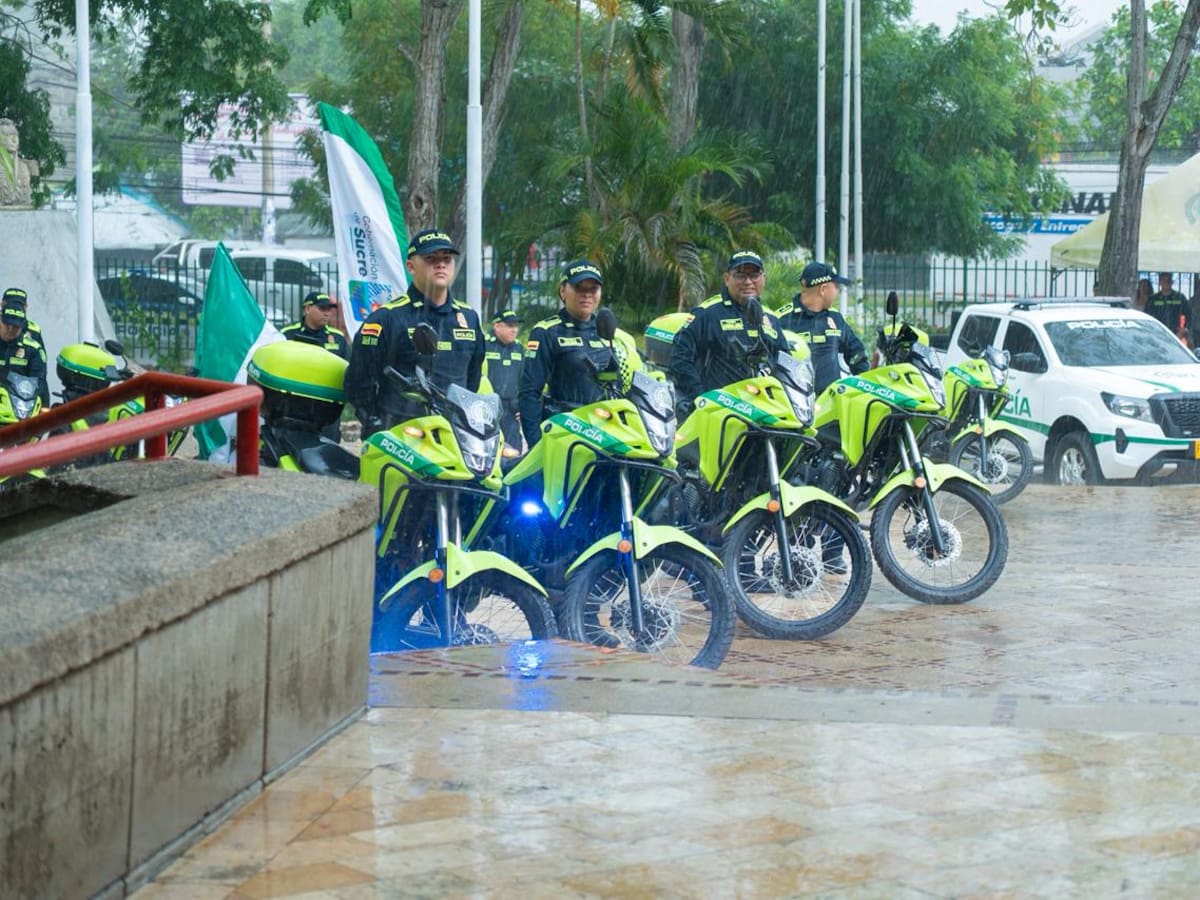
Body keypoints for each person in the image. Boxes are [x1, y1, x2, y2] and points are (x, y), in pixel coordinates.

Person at [346, 228, 485, 437]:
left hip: (456, 436)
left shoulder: (469, 318)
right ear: (411, 266)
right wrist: (375, 423)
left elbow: (472, 378)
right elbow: (359, 380)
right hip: (401, 434)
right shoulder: (387, 318)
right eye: (431, 258)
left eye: (447, 258)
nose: (441, 264)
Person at [518, 259, 626, 449]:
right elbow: (529, 393)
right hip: (564, 432)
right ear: (563, 291)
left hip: (605, 433)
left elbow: (620, 385)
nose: (586, 295)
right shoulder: (546, 332)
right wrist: (536, 445)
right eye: (579, 288)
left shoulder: (608, 332)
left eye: (593, 289)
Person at [669, 250, 789, 410]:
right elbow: (679, 358)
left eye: (754, 275)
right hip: (722, 413)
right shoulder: (708, 313)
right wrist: (702, 397)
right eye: (740, 275)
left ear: (763, 279)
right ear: (727, 279)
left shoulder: (770, 319)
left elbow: (785, 362)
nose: (748, 281)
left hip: (766, 412)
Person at [776, 261, 869, 394]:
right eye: (835, 287)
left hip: (830, 406)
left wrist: (861, 388)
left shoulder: (836, 318)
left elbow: (858, 356)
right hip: (794, 405)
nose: (837, 291)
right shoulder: (781, 319)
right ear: (823, 289)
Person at [483, 309, 523, 449]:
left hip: (511, 410)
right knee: (488, 449)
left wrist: (522, 405)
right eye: (510, 326)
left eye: (516, 326)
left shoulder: (519, 348)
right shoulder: (484, 345)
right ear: (497, 326)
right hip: (488, 408)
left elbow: (524, 378)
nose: (515, 330)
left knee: (513, 451)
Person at [0, 294, 48, 407]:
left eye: (15, 327)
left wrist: (45, 409)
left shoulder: (33, 349)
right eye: (7, 325)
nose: (10, 330)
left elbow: (40, 382)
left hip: (20, 405)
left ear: (22, 326)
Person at [282, 291, 350, 360]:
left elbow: (348, 365)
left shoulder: (338, 337)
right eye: (322, 308)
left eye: (328, 309)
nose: (327, 314)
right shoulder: (287, 334)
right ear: (307, 309)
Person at [2, 288, 46, 366]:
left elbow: (40, 361)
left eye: (20, 304)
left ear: (26, 307)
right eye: (10, 303)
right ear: (2, 304)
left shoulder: (34, 329)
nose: (15, 307)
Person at [1145, 272, 1188, 340]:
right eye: (1164, 280)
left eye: (1168, 280)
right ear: (1160, 282)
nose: (1166, 282)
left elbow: (1188, 315)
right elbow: (1147, 317)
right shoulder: (1152, 299)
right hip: (1157, 334)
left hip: (1176, 334)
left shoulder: (1180, 298)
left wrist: (1183, 330)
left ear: (1172, 282)